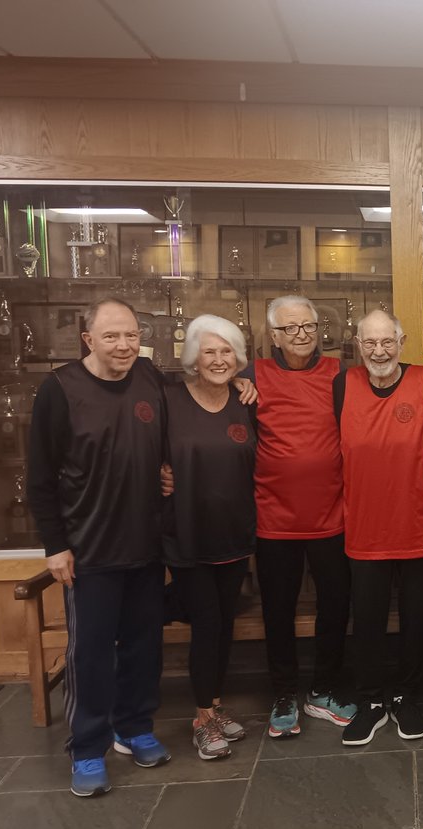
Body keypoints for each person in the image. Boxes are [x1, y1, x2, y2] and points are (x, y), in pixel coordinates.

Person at [27, 298, 170, 797]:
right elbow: (39, 477)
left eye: (131, 335)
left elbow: (176, 430)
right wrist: (54, 545)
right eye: (111, 337)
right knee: (89, 655)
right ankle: (87, 749)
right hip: (88, 551)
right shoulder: (61, 389)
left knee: (143, 647)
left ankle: (134, 728)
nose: (124, 345)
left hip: (147, 547)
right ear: (87, 339)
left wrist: (240, 381)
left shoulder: (151, 379)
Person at [245, 295, 355, 738]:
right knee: (278, 610)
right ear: (273, 336)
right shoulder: (252, 376)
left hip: (333, 515)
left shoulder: (339, 375)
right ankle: (285, 692)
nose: (301, 335)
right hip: (273, 519)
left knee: (335, 606)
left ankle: (324, 689)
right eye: (289, 329)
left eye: (308, 326)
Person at [333, 309, 423, 746]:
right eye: (369, 343)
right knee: (369, 621)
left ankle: (406, 693)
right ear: (358, 345)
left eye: (387, 342)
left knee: (417, 620)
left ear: (402, 341)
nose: (379, 351)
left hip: (418, 525)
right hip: (364, 526)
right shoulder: (343, 385)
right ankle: (372, 699)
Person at [163, 315, 256, 761]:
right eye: (210, 352)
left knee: (224, 625)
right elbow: (144, 450)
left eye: (227, 352)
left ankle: (214, 707)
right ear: (193, 359)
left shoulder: (246, 401)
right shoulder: (169, 399)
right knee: (206, 625)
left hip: (235, 534)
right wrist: (156, 476)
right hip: (186, 536)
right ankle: (202, 718)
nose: (219, 360)